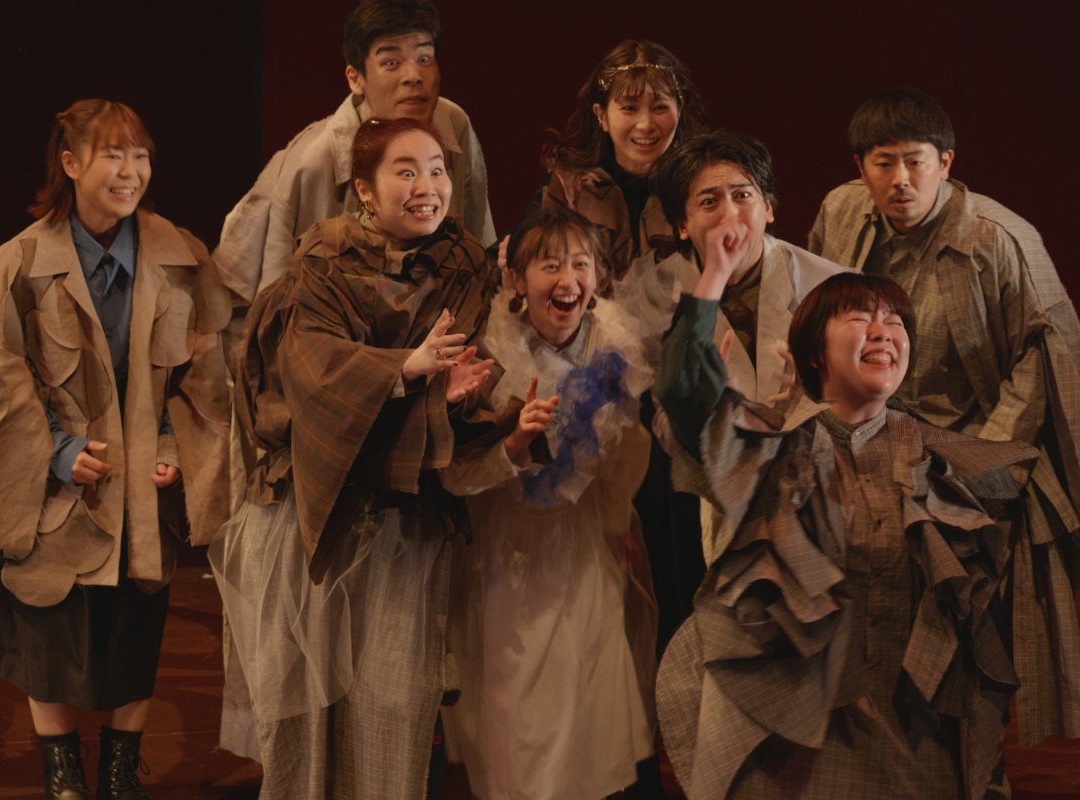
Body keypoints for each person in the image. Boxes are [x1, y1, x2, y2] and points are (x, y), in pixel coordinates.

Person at [807, 88, 1080, 749]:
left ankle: (971, 766)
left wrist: (973, 469)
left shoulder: (998, 239)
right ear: (859, 167)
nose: (901, 180)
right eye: (883, 163)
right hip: (870, 441)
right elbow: (815, 312)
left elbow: (1038, 359)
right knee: (867, 623)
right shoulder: (840, 211)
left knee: (966, 635)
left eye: (915, 162)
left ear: (946, 163)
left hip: (973, 449)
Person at [655, 256, 1038, 798]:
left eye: (895, 322)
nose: (883, 331)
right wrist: (715, 270)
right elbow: (682, 394)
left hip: (915, 739)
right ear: (815, 352)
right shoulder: (775, 451)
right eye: (860, 318)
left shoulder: (942, 459)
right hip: (797, 744)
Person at [0, 99, 232, 799]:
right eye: (112, 155)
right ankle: (62, 771)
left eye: (140, 155)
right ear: (70, 163)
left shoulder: (182, 256)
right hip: (58, 486)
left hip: (142, 491)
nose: (130, 171)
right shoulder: (20, 261)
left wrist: (175, 445)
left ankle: (122, 771)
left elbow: (211, 370)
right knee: (48, 630)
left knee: (137, 626)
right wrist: (56, 447)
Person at [209, 116, 497, 800]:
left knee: (394, 708)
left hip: (408, 515)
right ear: (365, 191)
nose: (428, 186)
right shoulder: (322, 263)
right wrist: (407, 368)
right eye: (406, 171)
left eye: (437, 170)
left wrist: (445, 397)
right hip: (315, 506)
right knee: (305, 711)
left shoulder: (465, 266)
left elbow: (472, 370)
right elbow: (314, 380)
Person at [440, 205, 660, 800]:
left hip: (582, 542)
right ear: (516, 278)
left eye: (581, 264)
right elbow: (452, 473)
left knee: (586, 692)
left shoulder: (617, 349)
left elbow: (626, 452)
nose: (568, 281)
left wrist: (616, 522)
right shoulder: (485, 353)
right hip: (504, 549)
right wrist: (512, 445)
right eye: (550, 265)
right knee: (518, 703)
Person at [623, 129, 847, 653]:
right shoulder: (650, 294)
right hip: (713, 494)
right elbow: (664, 414)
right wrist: (717, 419)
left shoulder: (829, 287)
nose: (730, 214)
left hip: (816, 489)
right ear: (682, 224)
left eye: (743, 195)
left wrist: (813, 405)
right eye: (709, 201)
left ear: (769, 208)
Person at [213, 0, 495, 305]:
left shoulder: (454, 123)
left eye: (424, 58)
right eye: (391, 62)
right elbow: (281, 289)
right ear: (355, 78)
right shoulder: (317, 160)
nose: (413, 75)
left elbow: (476, 238)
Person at [534, 39, 708, 283]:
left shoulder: (701, 187)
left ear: (678, 112)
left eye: (660, 107)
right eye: (629, 108)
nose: (646, 125)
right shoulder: (569, 188)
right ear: (602, 115)